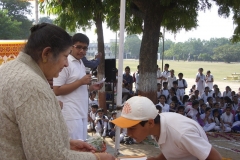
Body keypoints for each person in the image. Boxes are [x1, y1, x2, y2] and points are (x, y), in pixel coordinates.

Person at [0, 23, 114, 160]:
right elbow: (49, 157)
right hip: (72, 115)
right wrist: (98, 158)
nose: (66, 64)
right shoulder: (33, 86)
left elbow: (23, 139)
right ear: (46, 54)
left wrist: (65, 144)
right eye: (65, 56)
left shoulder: (7, 70)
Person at [111, 96, 222, 160]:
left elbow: (215, 157)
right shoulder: (157, 127)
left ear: (150, 123)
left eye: (132, 128)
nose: (128, 133)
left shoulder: (181, 133)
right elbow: (175, 149)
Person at [53, 33, 103, 141]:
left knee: (81, 148)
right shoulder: (66, 63)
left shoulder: (80, 62)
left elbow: (77, 88)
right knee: (74, 151)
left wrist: (91, 88)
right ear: (71, 47)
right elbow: (56, 90)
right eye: (79, 47)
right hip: (70, 115)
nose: (82, 51)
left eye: (85, 48)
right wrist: (80, 82)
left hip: (81, 113)